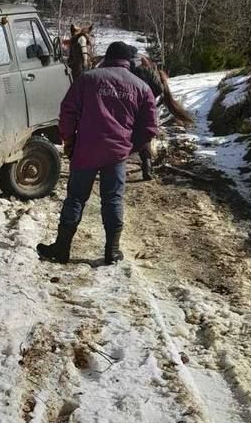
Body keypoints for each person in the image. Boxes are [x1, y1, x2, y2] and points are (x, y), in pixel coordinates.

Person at [37, 40, 158, 266]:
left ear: (107, 58)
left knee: (75, 198)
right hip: (116, 154)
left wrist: (69, 139)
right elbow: (150, 127)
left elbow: (67, 112)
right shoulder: (141, 87)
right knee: (112, 199)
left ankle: (62, 249)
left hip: (86, 149)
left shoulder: (88, 79)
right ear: (128, 61)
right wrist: (130, 147)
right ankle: (111, 252)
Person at [128, 52, 163, 180]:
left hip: (129, 106)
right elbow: (159, 88)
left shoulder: (128, 70)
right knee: (145, 135)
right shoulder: (149, 68)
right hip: (147, 106)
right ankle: (147, 168)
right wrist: (151, 99)